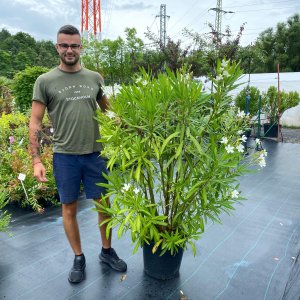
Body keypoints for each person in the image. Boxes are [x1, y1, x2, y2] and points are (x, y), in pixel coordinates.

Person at [29, 24, 127, 284]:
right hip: (65, 156)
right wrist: (36, 159)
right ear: (57, 47)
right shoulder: (45, 81)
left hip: (96, 154)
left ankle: (107, 252)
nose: (69, 50)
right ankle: (78, 257)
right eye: (64, 45)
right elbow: (35, 122)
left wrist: (123, 123)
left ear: (81, 47)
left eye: (74, 45)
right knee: (69, 206)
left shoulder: (94, 77)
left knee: (104, 205)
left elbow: (107, 110)